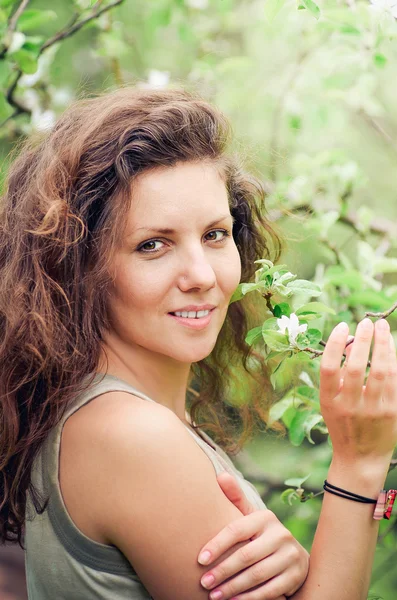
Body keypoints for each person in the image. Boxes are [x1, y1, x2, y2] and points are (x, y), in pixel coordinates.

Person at [0, 86, 396, 600]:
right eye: (152, 245)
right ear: (80, 268)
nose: (201, 274)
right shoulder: (132, 437)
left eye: (214, 234)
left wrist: (299, 574)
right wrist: (359, 464)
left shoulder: (108, 414)